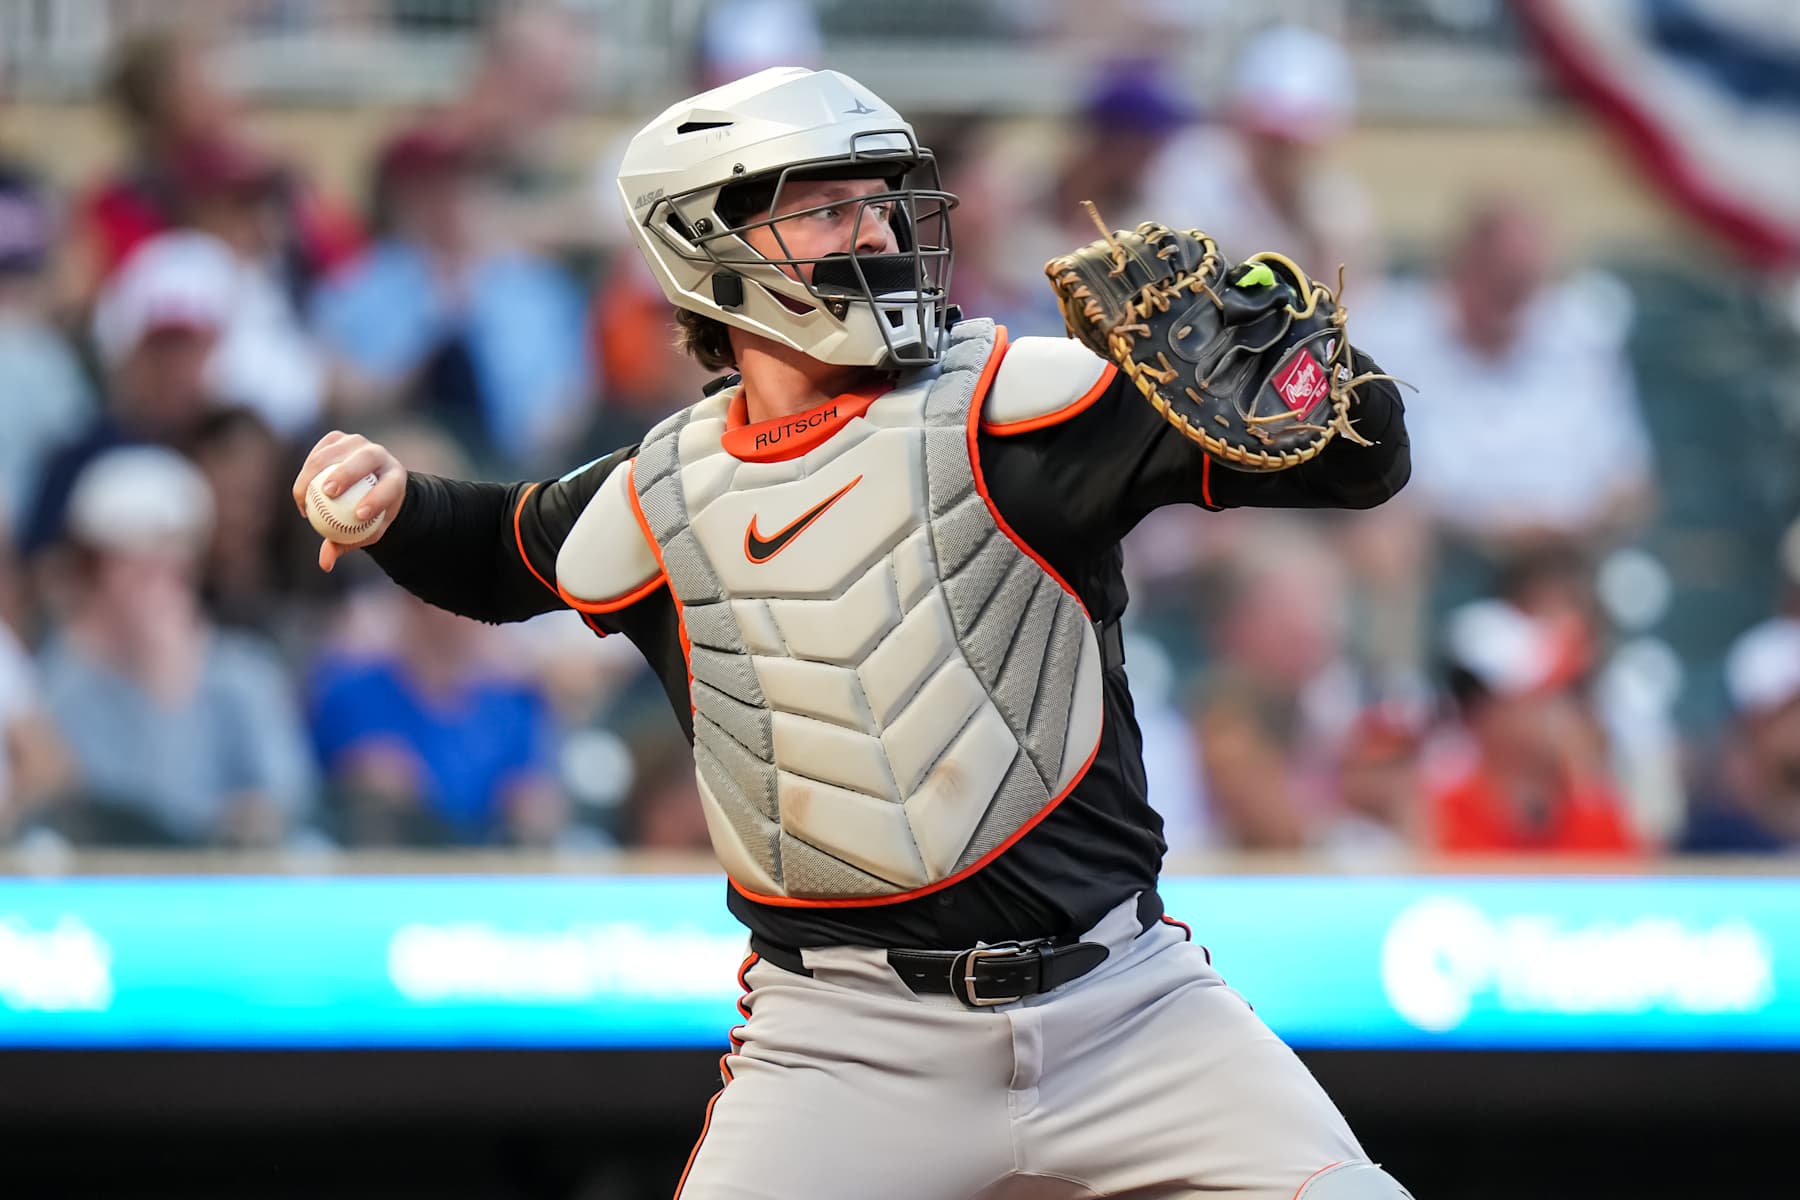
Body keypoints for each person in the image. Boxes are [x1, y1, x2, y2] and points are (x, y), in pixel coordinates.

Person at [293, 68, 1413, 1199]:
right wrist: (396, 507)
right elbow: (499, 551)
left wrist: (1322, 374)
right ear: (708, 241)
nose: (879, 229)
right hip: (842, 1039)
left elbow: (1362, 468)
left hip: (1127, 1009)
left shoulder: (1019, 401)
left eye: (883, 199)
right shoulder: (662, 492)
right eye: (831, 206)